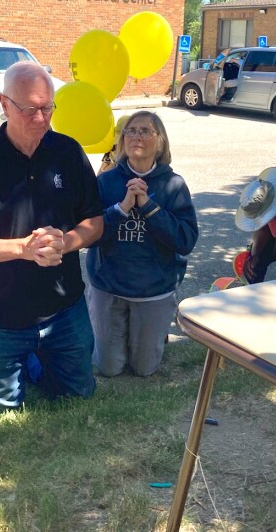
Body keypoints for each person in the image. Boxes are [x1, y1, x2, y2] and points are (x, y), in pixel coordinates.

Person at [0, 61, 103, 415]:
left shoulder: (67, 152)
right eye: (30, 109)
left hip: (63, 310)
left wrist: (68, 241)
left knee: (79, 396)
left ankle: (28, 360)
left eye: (48, 107)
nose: (42, 118)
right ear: (3, 103)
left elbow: (95, 223)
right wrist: (22, 249)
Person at [86, 111, 198, 377]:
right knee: (109, 368)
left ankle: (151, 334)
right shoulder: (106, 181)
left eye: (146, 131)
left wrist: (148, 207)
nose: (137, 136)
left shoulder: (174, 184)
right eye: (131, 131)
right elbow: (89, 234)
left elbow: (185, 240)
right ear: (123, 140)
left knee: (144, 369)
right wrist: (122, 207)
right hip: (109, 287)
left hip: (153, 290)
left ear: (160, 141)